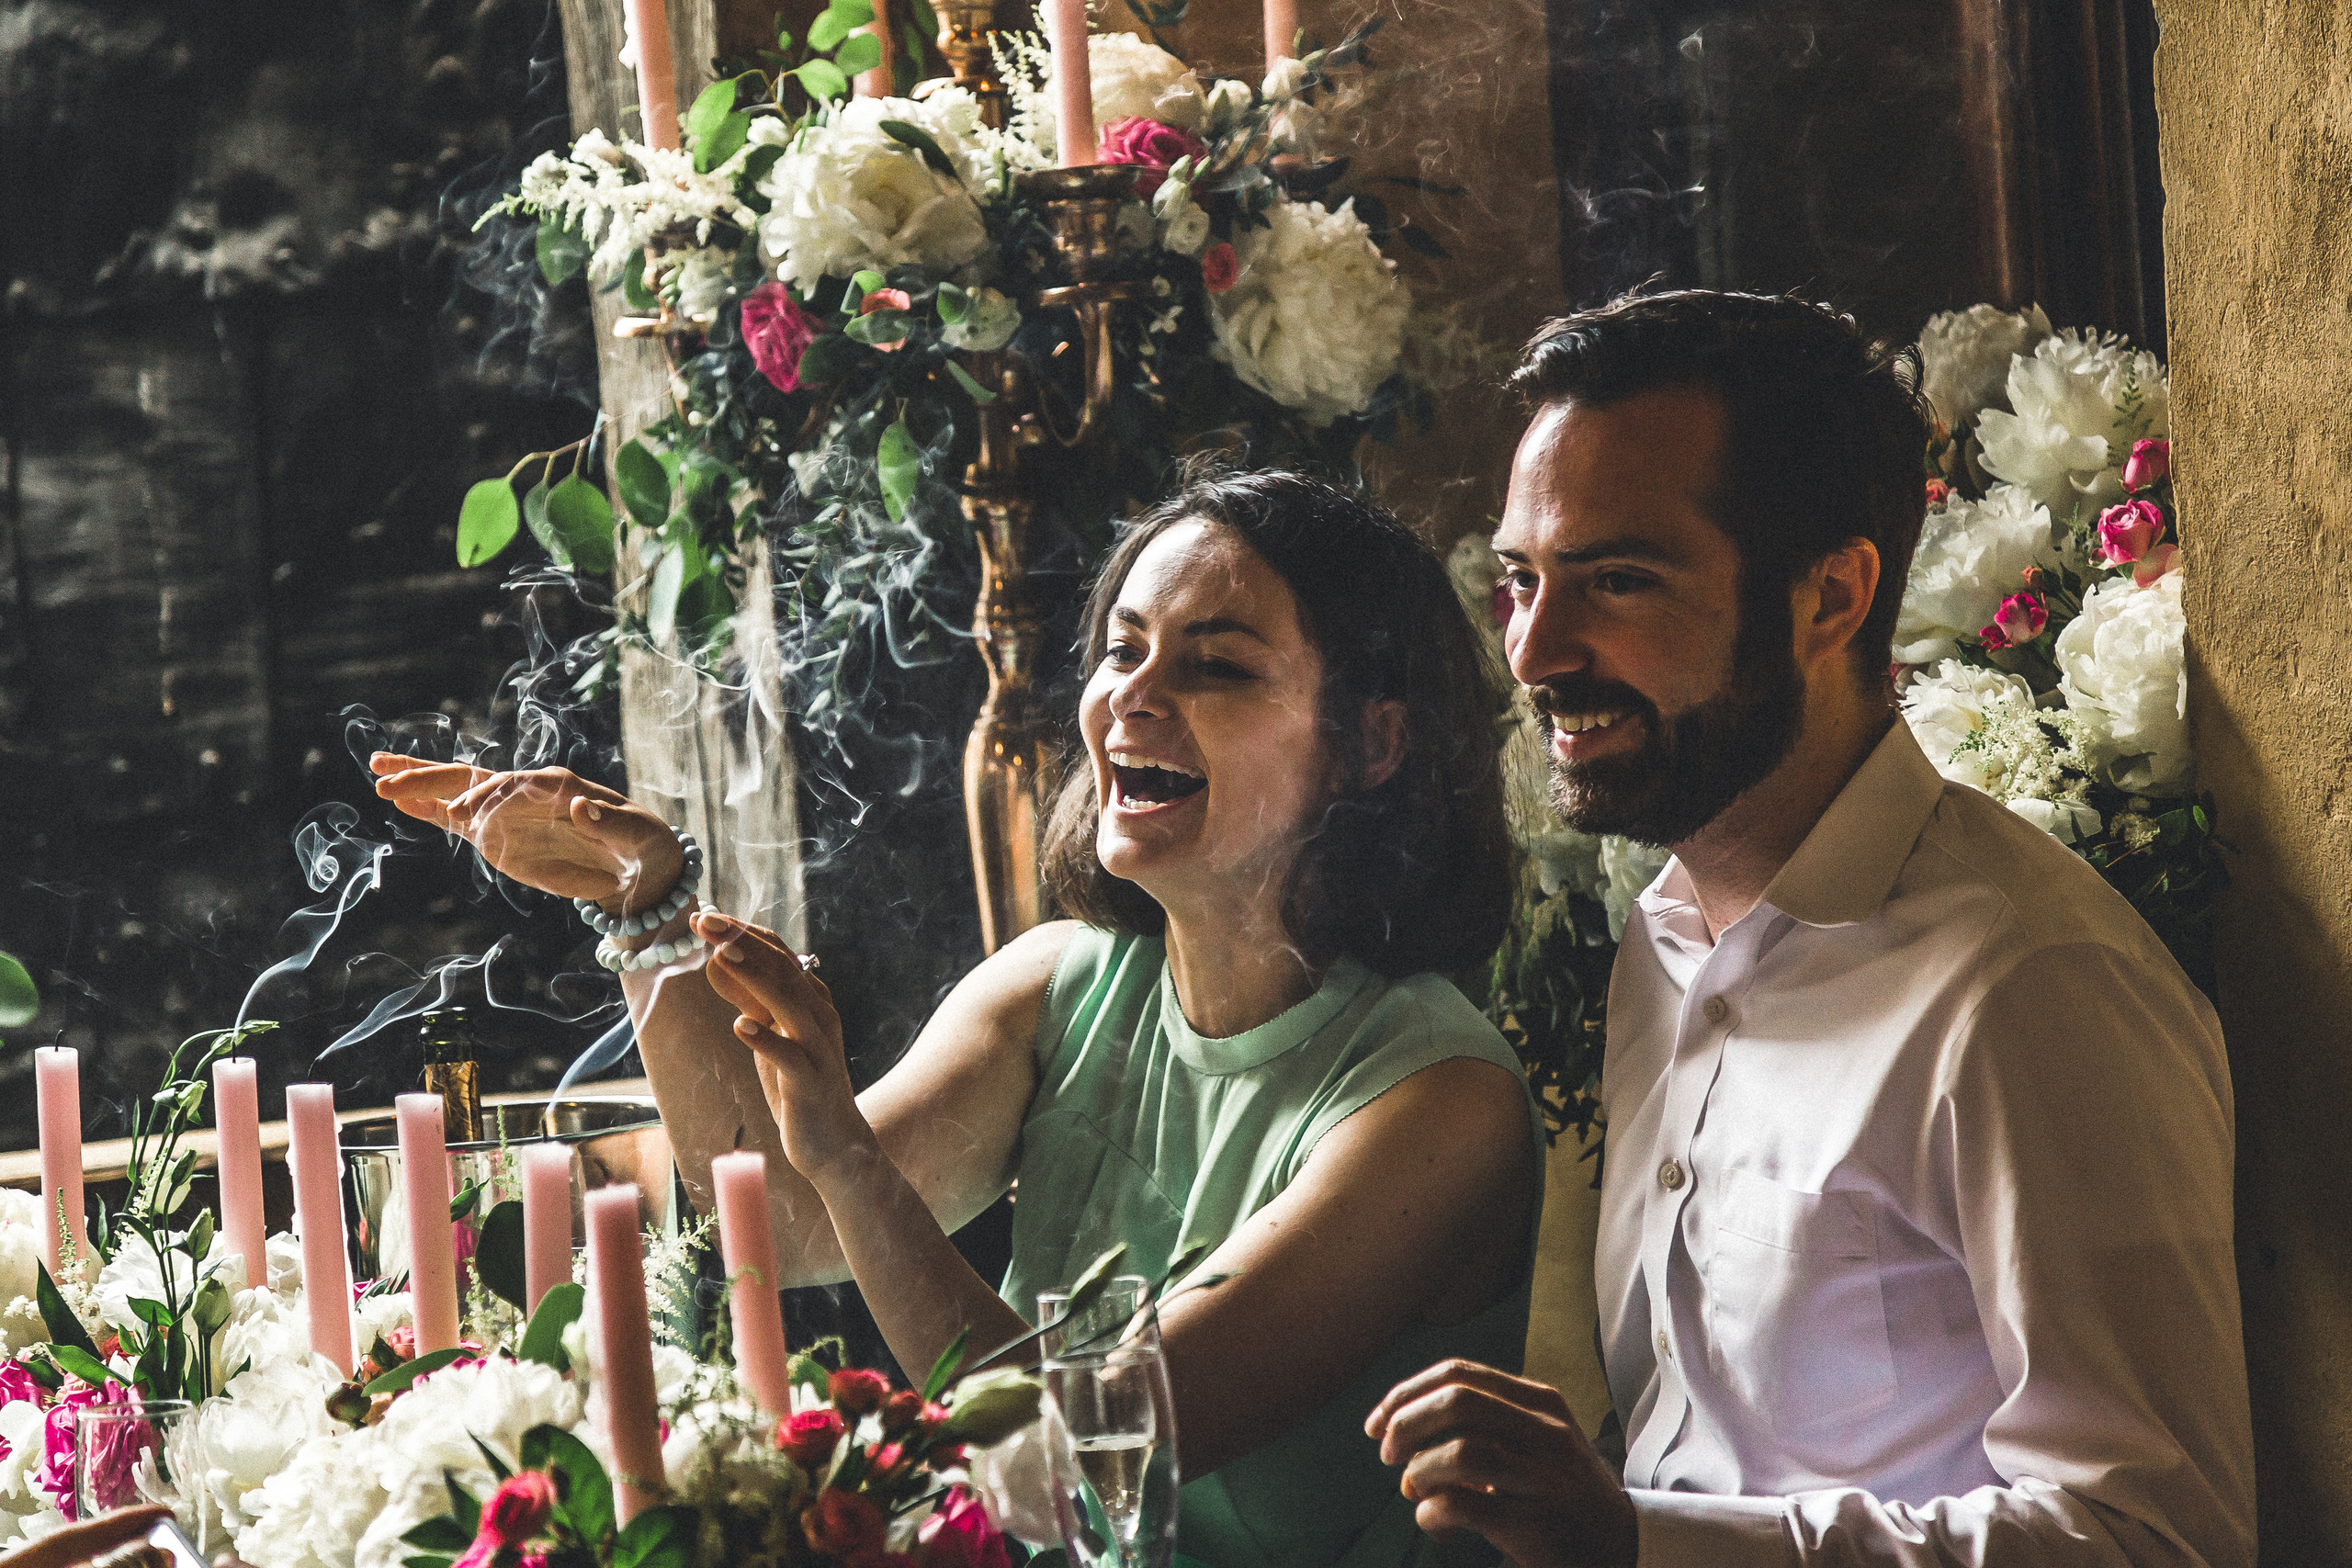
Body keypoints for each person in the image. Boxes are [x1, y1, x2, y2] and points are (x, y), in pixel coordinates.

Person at [373, 469, 1547, 1567]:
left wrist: (845, 1155)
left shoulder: (1438, 1097)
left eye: (1216, 666)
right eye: (1122, 649)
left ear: (1371, 741)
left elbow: (1084, 1442)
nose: (1132, 696)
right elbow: (784, 1225)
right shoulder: (1058, 983)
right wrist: (651, 909)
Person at [1366, 292, 2254, 1568]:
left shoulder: (2031, 988)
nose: (1535, 648)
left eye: (1618, 578)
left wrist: (1638, 1539)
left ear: (1833, 595)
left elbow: (2159, 1537)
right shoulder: (1663, 943)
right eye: (1522, 578)